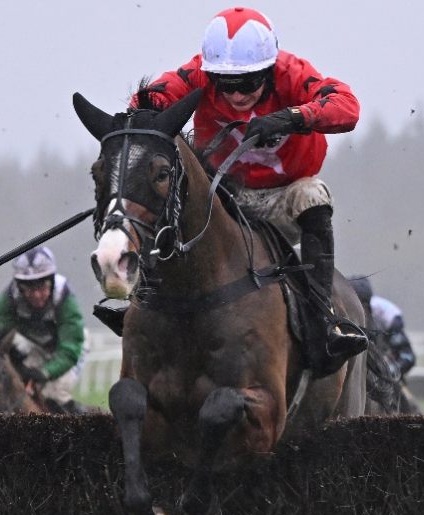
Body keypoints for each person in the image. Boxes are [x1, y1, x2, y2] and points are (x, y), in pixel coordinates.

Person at [127, 6, 368, 374]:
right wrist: (144, 118)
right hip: (224, 196)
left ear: (270, 71)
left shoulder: (294, 73)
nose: (237, 95)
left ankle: (323, 320)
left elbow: (347, 107)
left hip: (285, 195)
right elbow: (146, 103)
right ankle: (143, 301)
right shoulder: (195, 73)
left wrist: (292, 117)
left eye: (248, 82)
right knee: (167, 196)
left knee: (314, 194)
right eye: (225, 83)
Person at [0, 246, 86, 414]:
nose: (36, 295)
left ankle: (81, 424)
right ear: (19, 287)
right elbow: (0, 337)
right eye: (29, 288)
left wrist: (44, 373)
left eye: (42, 286)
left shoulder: (65, 299)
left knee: (53, 394)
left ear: (52, 281)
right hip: (35, 345)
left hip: (70, 349)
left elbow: (70, 349)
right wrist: (18, 366)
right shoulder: (8, 299)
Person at [348, 275, 416, 377]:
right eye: (352, 305)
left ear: (368, 305)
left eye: (362, 305)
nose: (358, 312)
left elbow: (407, 357)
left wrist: (388, 372)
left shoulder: (387, 315)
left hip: (382, 370)